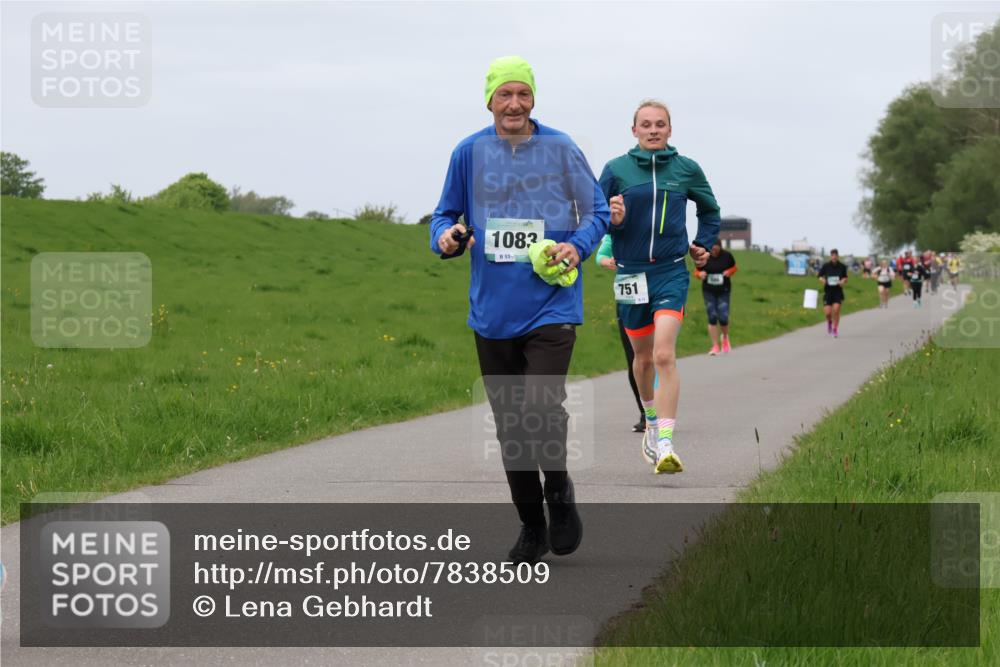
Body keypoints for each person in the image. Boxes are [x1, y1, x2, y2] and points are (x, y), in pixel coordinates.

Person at [429, 56, 610, 564]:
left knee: (540, 408)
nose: (514, 104)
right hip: (492, 312)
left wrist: (577, 246)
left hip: (552, 303)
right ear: (489, 100)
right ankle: (532, 525)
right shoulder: (468, 152)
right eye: (504, 95)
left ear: (534, 99)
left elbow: (596, 210)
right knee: (510, 425)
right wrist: (445, 237)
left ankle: (559, 490)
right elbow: (444, 214)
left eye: (523, 94)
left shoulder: (560, 148)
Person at [598, 99, 720, 474]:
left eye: (660, 124)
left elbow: (710, 210)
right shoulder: (615, 169)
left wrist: (703, 243)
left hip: (671, 271)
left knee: (664, 354)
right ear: (634, 130)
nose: (653, 130)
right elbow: (594, 216)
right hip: (630, 274)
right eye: (646, 124)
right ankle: (650, 421)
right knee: (643, 359)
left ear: (670, 129)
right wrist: (614, 219)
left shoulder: (686, 169)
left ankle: (666, 442)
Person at [595, 234, 647, 432]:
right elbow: (600, 256)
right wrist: (608, 261)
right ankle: (645, 412)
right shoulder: (616, 230)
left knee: (657, 356)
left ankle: (660, 410)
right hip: (629, 294)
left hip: (657, 289)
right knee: (634, 358)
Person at [693, 240, 737, 355]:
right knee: (712, 316)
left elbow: (734, 268)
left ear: (720, 247)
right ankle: (715, 345)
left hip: (723, 290)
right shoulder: (704, 256)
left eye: (716, 248)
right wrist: (700, 274)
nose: (714, 251)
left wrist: (729, 272)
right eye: (712, 249)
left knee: (723, 317)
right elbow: (696, 271)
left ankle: (725, 338)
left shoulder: (727, 256)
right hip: (709, 290)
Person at [818, 249, 848, 337]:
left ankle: (835, 329)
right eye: (832, 255)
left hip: (838, 291)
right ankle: (829, 322)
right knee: (828, 313)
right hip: (828, 291)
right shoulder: (826, 266)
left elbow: (845, 278)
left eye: (835, 255)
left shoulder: (842, 266)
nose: (834, 257)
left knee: (836, 310)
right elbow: (819, 276)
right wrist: (822, 280)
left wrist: (843, 281)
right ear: (830, 256)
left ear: (838, 256)